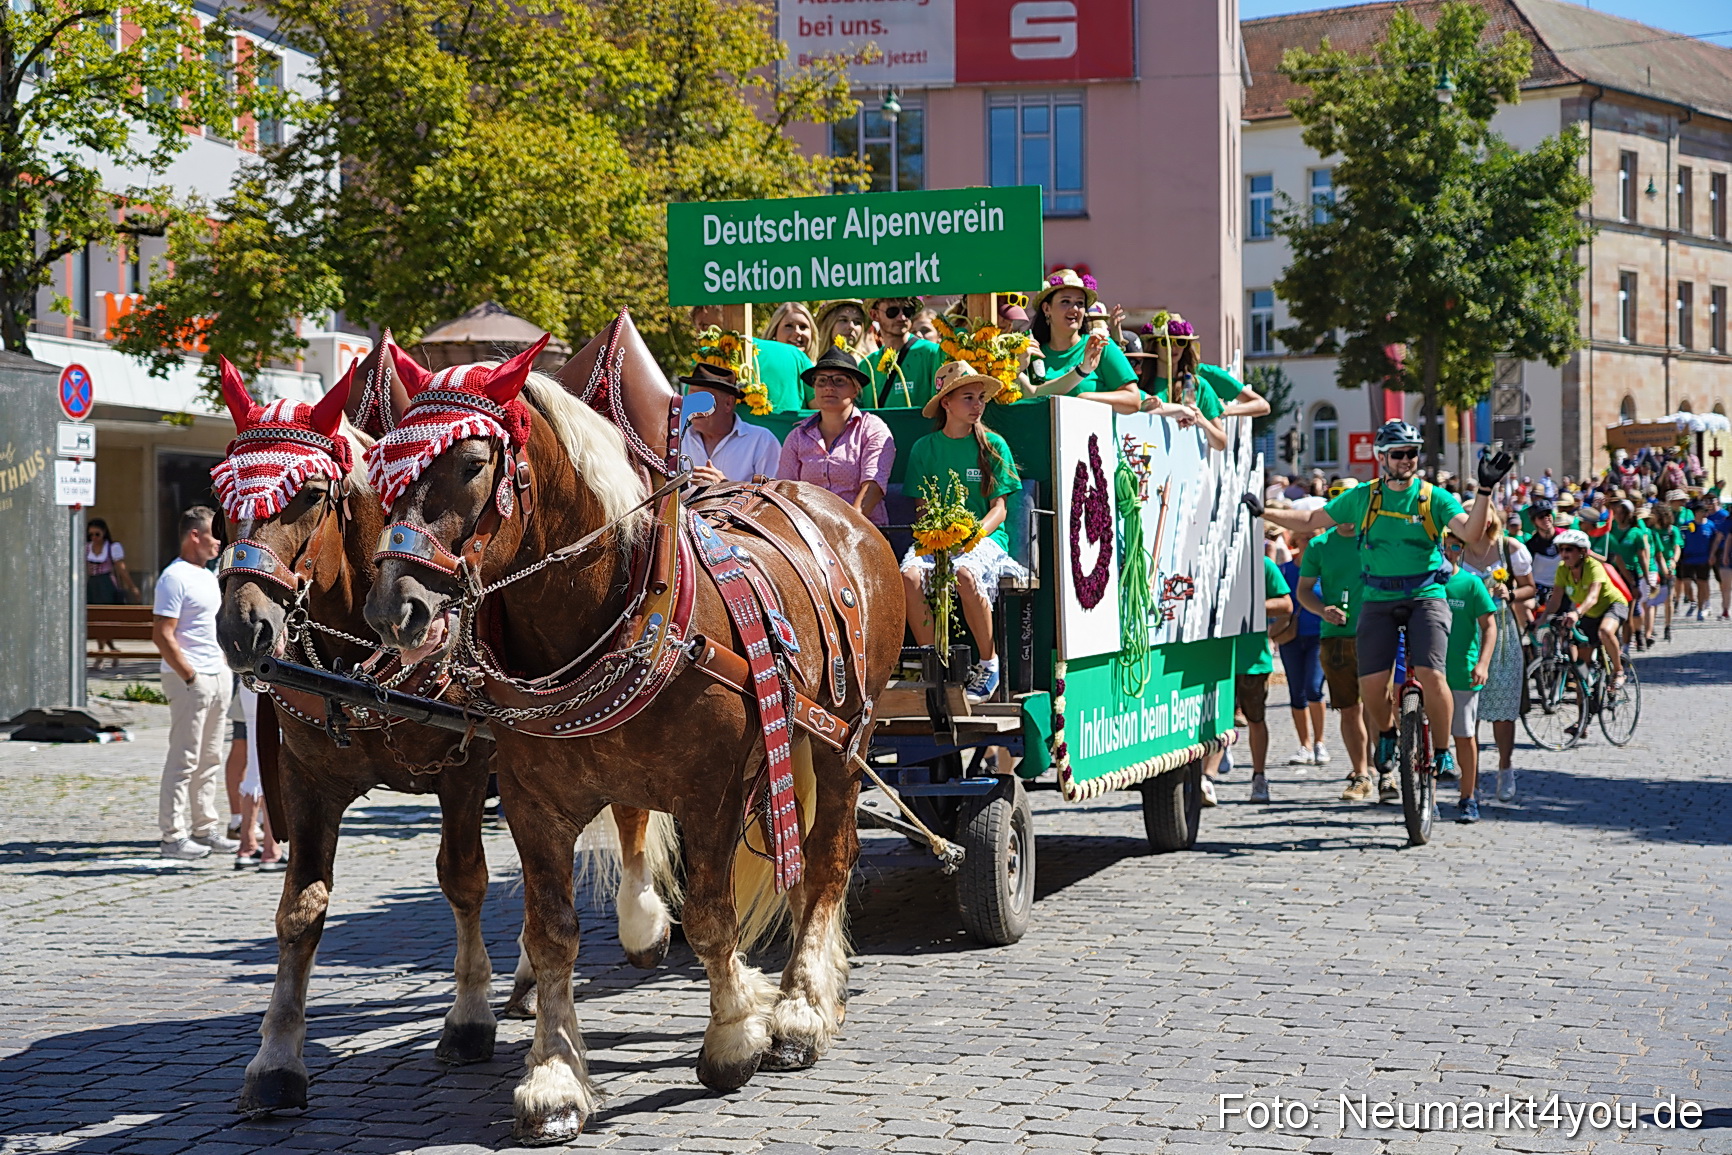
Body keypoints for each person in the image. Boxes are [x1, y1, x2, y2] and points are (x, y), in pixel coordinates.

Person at [1263, 420, 1510, 790]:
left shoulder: (1433, 497)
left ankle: (1441, 750)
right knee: (1371, 685)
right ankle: (1389, 733)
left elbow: (1471, 534)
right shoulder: (1364, 496)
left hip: (1425, 596)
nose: (1407, 460)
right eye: (1399, 454)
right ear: (1383, 457)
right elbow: (1312, 519)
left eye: (1412, 453)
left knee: (1431, 674)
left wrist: (1487, 490)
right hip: (1378, 598)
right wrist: (1260, 512)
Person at [900, 362, 1029, 702]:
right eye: (968, 397)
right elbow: (923, 509)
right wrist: (939, 537)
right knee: (909, 578)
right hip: (936, 538)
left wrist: (972, 535)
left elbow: (999, 510)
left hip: (985, 540)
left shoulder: (993, 444)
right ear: (946, 403)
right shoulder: (923, 448)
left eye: (981, 398)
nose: (977, 405)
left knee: (965, 574)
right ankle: (934, 667)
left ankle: (989, 664)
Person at [153, 506, 238, 861]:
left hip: (217, 675)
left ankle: (205, 827)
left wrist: (220, 668)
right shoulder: (174, 578)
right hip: (191, 679)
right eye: (212, 534)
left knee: (210, 758)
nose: (218, 542)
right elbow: (162, 633)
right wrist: (190, 675)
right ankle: (173, 835)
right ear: (194, 536)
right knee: (184, 758)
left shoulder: (209, 575)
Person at [1453, 516, 1533, 804]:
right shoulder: (1455, 549)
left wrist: (1509, 593)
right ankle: (1470, 780)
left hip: (1501, 632)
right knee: (1466, 707)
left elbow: (1530, 588)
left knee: (1503, 707)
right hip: (1464, 630)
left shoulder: (1508, 547)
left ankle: (1505, 768)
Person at [1297, 511, 1376, 800]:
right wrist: (1322, 610)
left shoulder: (1375, 537)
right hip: (1336, 637)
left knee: (1379, 705)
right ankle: (1361, 774)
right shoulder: (1320, 545)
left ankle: (1386, 770)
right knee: (1349, 708)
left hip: (1376, 632)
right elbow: (1303, 591)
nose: (1348, 514)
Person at [778, 344, 894, 526]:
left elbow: (873, 487)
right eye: (821, 381)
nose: (829, 387)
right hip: (808, 533)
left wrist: (844, 530)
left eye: (839, 381)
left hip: (864, 534)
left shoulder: (873, 429)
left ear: (855, 389)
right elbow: (785, 490)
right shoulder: (797, 436)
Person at [1019, 269, 1144, 414]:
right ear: (1047, 308)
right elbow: (1029, 396)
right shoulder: (1031, 353)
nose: (1074, 309)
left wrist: (1085, 399)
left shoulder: (1100, 346)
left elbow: (1133, 400)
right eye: (1065, 301)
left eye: (1080, 303)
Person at [1439, 544, 1496, 824]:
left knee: (1463, 736)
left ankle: (1468, 797)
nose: (1448, 550)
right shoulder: (1420, 585)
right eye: (1442, 544)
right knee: (1423, 739)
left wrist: (1482, 663)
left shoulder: (1470, 583)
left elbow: (1489, 625)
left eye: (1454, 545)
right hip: (1429, 673)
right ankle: (1426, 796)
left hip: (1462, 672)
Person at [1139, 310, 1271, 419]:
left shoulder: (1204, 374)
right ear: (1154, 346)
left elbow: (1262, 405)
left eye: (1180, 342)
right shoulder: (1141, 378)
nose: (1173, 347)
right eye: (1165, 342)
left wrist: (1224, 411)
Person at [1543, 528, 1629, 692]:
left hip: (1612, 605)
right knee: (1581, 669)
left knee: (1604, 631)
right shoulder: (1562, 569)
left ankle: (1618, 670)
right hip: (1589, 613)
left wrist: (1576, 613)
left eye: (1569, 549)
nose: (1564, 553)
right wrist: (1540, 621)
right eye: (1560, 549)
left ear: (1582, 551)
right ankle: (1584, 710)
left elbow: (1592, 597)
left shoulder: (1593, 566)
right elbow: (1555, 599)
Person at [678, 363, 782, 485]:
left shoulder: (762, 441)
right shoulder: (676, 439)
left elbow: (772, 498)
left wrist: (724, 486)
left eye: (701, 400)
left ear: (728, 403)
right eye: (690, 399)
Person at [1244, 553, 1294, 804]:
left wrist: (1250, 605)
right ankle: (1206, 778)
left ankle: (1259, 776)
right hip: (1214, 658)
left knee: (1255, 719)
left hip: (1253, 658)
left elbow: (1286, 606)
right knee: (1213, 723)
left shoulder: (1262, 564)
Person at [1276, 529, 1327, 769]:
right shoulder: (1285, 570)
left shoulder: (1325, 569)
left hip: (1319, 636)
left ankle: (1319, 742)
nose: (1310, 542)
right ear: (1295, 540)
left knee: (1313, 688)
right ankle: (1304, 744)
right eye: (1306, 537)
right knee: (1296, 692)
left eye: (1315, 536)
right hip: (1290, 637)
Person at [231, 689, 285, 871]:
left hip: (249, 683)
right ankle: (270, 849)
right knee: (271, 771)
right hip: (274, 679)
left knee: (255, 770)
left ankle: (247, 846)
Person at [862, 296, 943, 409]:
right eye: (892, 311)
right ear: (874, 315)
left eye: (907, 310)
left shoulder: (932, 353)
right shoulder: (866, 365)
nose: (902, 317)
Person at [85, 518, 139, 670]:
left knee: (106, 620)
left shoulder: (112, 547)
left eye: (97, 534)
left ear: (104, 533)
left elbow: (121, 568)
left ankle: (101, 654)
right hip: (93, 584)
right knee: (96, 620)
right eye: (91, 535)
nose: (94, 538)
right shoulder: (87, 548)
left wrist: (132, 587)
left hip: (106, 584)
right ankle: (111, 650)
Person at [1676, 495, 1717, 619]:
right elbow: (1678, 535)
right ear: (1695, 513)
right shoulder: (1687, 525)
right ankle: (1692, 600)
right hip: (1688, 558)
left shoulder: (1710, 525)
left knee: (1701, 583)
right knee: (1686, 583)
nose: (1702, 514)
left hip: (1703, 559)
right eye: (1700, 511)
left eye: (1704, 511)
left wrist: (1713, 555)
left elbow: (1714, 541)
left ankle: (1700, 609)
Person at [1648, 502, 1681, 642]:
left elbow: (1677, 547)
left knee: (1668, 599)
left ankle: (1668, 626)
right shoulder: (1651, 531)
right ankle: (1651, 627)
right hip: (1655, 568)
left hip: (1668, 567)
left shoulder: (1672, 530)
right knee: (1653, 599)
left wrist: (1674, 561)